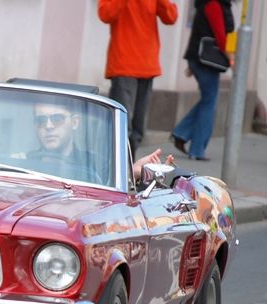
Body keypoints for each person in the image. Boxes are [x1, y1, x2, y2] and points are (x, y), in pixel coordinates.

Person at [98, 0, 179, 159]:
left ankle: (129, 172)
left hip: (147, 65)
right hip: (124, 65)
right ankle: (117, 172)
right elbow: (105, 14)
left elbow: (171, 17)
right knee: (121, 128)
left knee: (138, 131)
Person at [32, 101, 172, 182]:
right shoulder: (22, 163)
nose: (48, 126)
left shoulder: (96, 163)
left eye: (57, 118)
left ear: (74, 122)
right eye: (41, 120)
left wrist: (133, 171)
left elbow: (111, 190)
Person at [171, 0, 235, 161]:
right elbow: (219, 34)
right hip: (205, 60)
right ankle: (197, 149)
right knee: (210, 102)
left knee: (208, 100)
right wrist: (230, 57)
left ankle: (181, 133)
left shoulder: (211, 3)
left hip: (203, 59)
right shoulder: (213, 3)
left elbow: (200, 30)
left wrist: (193, 61)